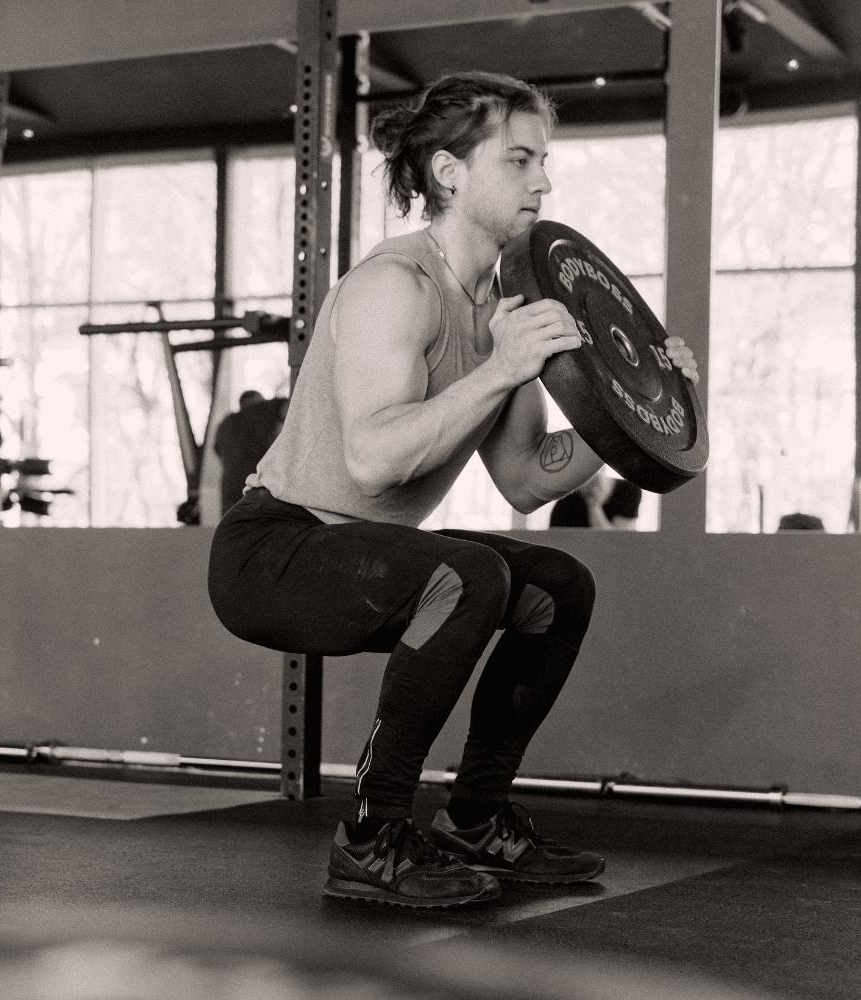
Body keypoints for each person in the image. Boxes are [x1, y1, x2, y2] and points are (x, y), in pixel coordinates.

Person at [208, 72, 698, 909]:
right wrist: (504, 367)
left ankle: (475, 816)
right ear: (448, 172)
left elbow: (524, 479)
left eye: (544, 161)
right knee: (466, 575)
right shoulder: (393, 288)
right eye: (519, 159)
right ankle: (371, 836)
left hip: (370, 554)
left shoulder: (504, 308)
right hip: (275, 550)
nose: (542, 180)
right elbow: (370, 462)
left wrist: (633, 409)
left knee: (555, 583)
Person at [212, 390, 287, 513]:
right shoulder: (261, 410)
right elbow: (291, 403)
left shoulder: (225, 424)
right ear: (255, 401)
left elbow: (217, 450)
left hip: (230, 496)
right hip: (256, 491)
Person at [549, 469, 643, 529]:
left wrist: (594, 507)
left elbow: (621, 544)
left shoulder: (628, 491)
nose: (589, 485)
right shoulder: (565, 505)